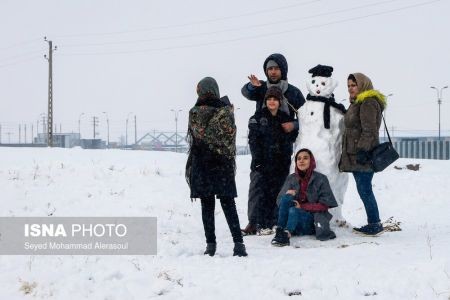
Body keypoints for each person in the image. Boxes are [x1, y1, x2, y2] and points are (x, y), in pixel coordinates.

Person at [241, 53, 305, 235]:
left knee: (279, 186)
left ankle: (276, 220)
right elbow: (246, 92)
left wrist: (294, 124)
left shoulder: (292, 92)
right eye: (270, 68)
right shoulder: (261, 88)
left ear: (283, 70)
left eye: (276, 68)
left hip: (282, 146)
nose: (273, 72)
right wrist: (251, 86)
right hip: (262, 144)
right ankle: (254, 222)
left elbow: (308, 116)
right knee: (258, 186)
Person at [186, 77, 247, 256]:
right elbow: (226, 136)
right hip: (222, 163)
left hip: (201, 162)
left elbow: (200, 137)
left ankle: (210, 245)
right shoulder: (225, 111)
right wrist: (227, 109)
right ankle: (238, 244)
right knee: (229, 204)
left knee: (207, 205)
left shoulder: (195, 112)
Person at [339, 73, 387, 236]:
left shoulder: (368, 102)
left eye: (354, 85)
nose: (350, 89)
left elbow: (370, 131)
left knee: (365, 189)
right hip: (356, 154)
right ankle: (374, 222)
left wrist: (362, 150)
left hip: (363, 155)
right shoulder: (357, 103)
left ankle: (374, 223)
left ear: (363, 85)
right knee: (363, 189)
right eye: (349, 86)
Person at [247, 86, 298, 235]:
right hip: (262, 163)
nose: (272, 101)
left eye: (275, 99)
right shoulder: (257, 117)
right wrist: (258, 160)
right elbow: (253, 141)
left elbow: (295, 133)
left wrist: (294, 126)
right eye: (269, 99)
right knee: (261, 194)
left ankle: (275, 222)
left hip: (281, 164)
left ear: (280, 101)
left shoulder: (285, 118)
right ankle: (260, 223)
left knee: (277, 193)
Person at [271, 149, 338, 246]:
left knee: (294, 210)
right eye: (299, 159)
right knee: (286, 198)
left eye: (305, 158)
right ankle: (280, 231)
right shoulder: (291, 178)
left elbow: (325, 205)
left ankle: (286, 235)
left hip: (312, 222)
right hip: (292, 220)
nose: (301, 161)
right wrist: (288, 195)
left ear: (311, 161)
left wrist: (302, 206)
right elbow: (279, 201)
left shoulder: (321, 179)